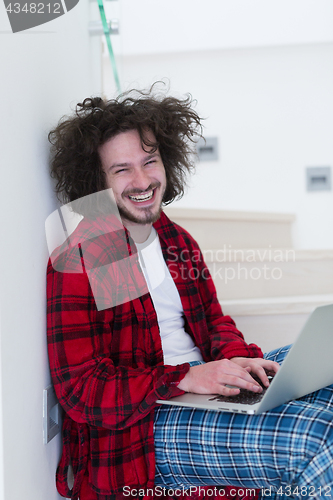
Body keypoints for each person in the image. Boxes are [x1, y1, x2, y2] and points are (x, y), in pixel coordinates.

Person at [47, 87, 333, 500]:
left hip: (205, 388)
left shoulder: (172, 238)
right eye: (122, 170)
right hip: (146, 428)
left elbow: (214, 321)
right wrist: (186, 376)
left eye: (150, 162)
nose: (143, 181)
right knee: (318, 440)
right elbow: (83, 390)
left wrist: (236, 358)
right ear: (97, 181)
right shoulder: (91, 253)